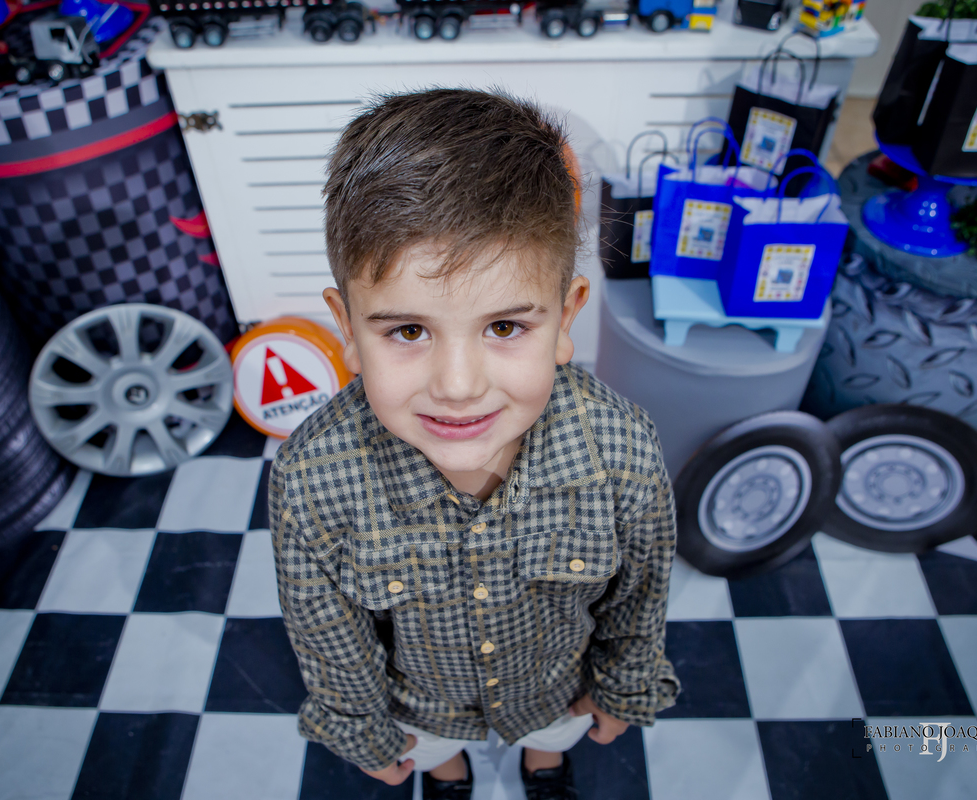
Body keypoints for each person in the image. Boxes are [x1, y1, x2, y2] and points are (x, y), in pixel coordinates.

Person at [269, 88, 679, 800]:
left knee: (552, 737)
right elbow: (330, 638)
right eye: (408, 331)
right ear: (347, 327)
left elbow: (639, 599)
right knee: (437, 754)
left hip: (553, 693)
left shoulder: (622, 452)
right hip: (423, 711)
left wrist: (623, 686)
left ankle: (543, 764)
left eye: (504, 327)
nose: (457, 386)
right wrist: (365, 734)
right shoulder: (310, 480)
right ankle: (449, 774)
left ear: (565, 318)